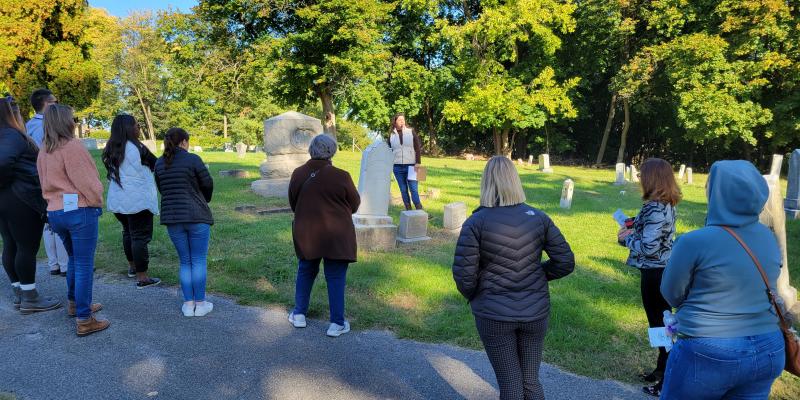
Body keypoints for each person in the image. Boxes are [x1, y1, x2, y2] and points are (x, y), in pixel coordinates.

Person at [452, 156, 575, 400]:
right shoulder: (538, 217)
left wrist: (480, 292)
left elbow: (464, 277)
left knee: (510, 383)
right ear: (515, 181)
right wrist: (536, 276)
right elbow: (565, 262)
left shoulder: (475, 222)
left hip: (494, 315)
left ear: (486, 183)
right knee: (529, 381)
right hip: (535, 313)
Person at [660, 160, 785, 399]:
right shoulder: (767, 237)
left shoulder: (694, 241)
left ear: (717, 193)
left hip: (709, 349)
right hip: (768, 346)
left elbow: (671, 293)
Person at [38, 104, 106, 335]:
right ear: (65, 121)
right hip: (79, 210)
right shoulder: (72, 147)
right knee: (84, 263)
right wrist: (97, 201)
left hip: (55, 212)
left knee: (76, 260)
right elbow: (88, 182)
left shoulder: (43, 149)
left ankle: (76, 304)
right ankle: (85, 319)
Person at [616, 158, 680, 397]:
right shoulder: (666, 203)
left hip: (654, 271)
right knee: (662, 325)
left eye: (642, 174)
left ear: (652, 178)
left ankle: (666, 379)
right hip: (661, 270)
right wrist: (633, 227)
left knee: (660, 326)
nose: (639, 179)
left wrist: (625, 239)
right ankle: (661, 370)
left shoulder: (655, 206)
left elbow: (650, 247)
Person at [287, 134, 360, 337]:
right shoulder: (342, 176)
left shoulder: (298, 173)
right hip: (337, 234)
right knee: (335, 277)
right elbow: (354, 204)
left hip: (307, 232)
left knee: (306, 270)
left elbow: (294, 203)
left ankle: (299, 314)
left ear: (311, 150)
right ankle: (336, 323)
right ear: (332, 152)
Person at [0, 96, 61, 314]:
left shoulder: (4, 135)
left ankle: (20, 291)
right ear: (11, 113)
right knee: (26, 247)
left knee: (11, 244)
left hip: (7, 198)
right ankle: (30, 297)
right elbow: (3, 163)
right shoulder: (12, 135)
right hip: (21, 199)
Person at [155, 128, 214, 317]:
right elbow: (207, 183)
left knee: (185, 261)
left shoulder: (159, 163)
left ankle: (188, 304)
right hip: (196, 215)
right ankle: (201, 303)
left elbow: (162, 189)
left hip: (172, 217)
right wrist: (203, 198)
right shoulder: (193, 159)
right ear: (184, 142)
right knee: (198, 260)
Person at [102, 115, 161, 288]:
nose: (139, 128)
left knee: (128, 233)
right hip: (137, 200)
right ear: (128, 128)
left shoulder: (111, 147)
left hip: (118, 199)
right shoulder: (137, 147)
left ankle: (132, 267)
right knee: (140, 237)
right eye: (136, 125)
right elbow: (156, 163)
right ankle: (142, 277)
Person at [26, 88, 68, 276]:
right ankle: (65, 264)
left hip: (38, 177)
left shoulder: (28, 125)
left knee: (48, 222)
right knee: (59, 217)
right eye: (54, 101)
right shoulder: (45, 125)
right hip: (50, 176)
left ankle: (54, 264)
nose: (56, 104)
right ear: (46, 103)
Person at [387, 113, 424, 210]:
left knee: (414, 189)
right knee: (403, 190)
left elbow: (417, 148)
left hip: (413, 165)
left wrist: (418, 163)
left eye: (403, 119)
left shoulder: (411, 131)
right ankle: (408, 210)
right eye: (399, 120)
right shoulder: (391, 135)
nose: (402, 121)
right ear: (395, 122)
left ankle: (420, 210)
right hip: (397, 167)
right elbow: (388, 151)